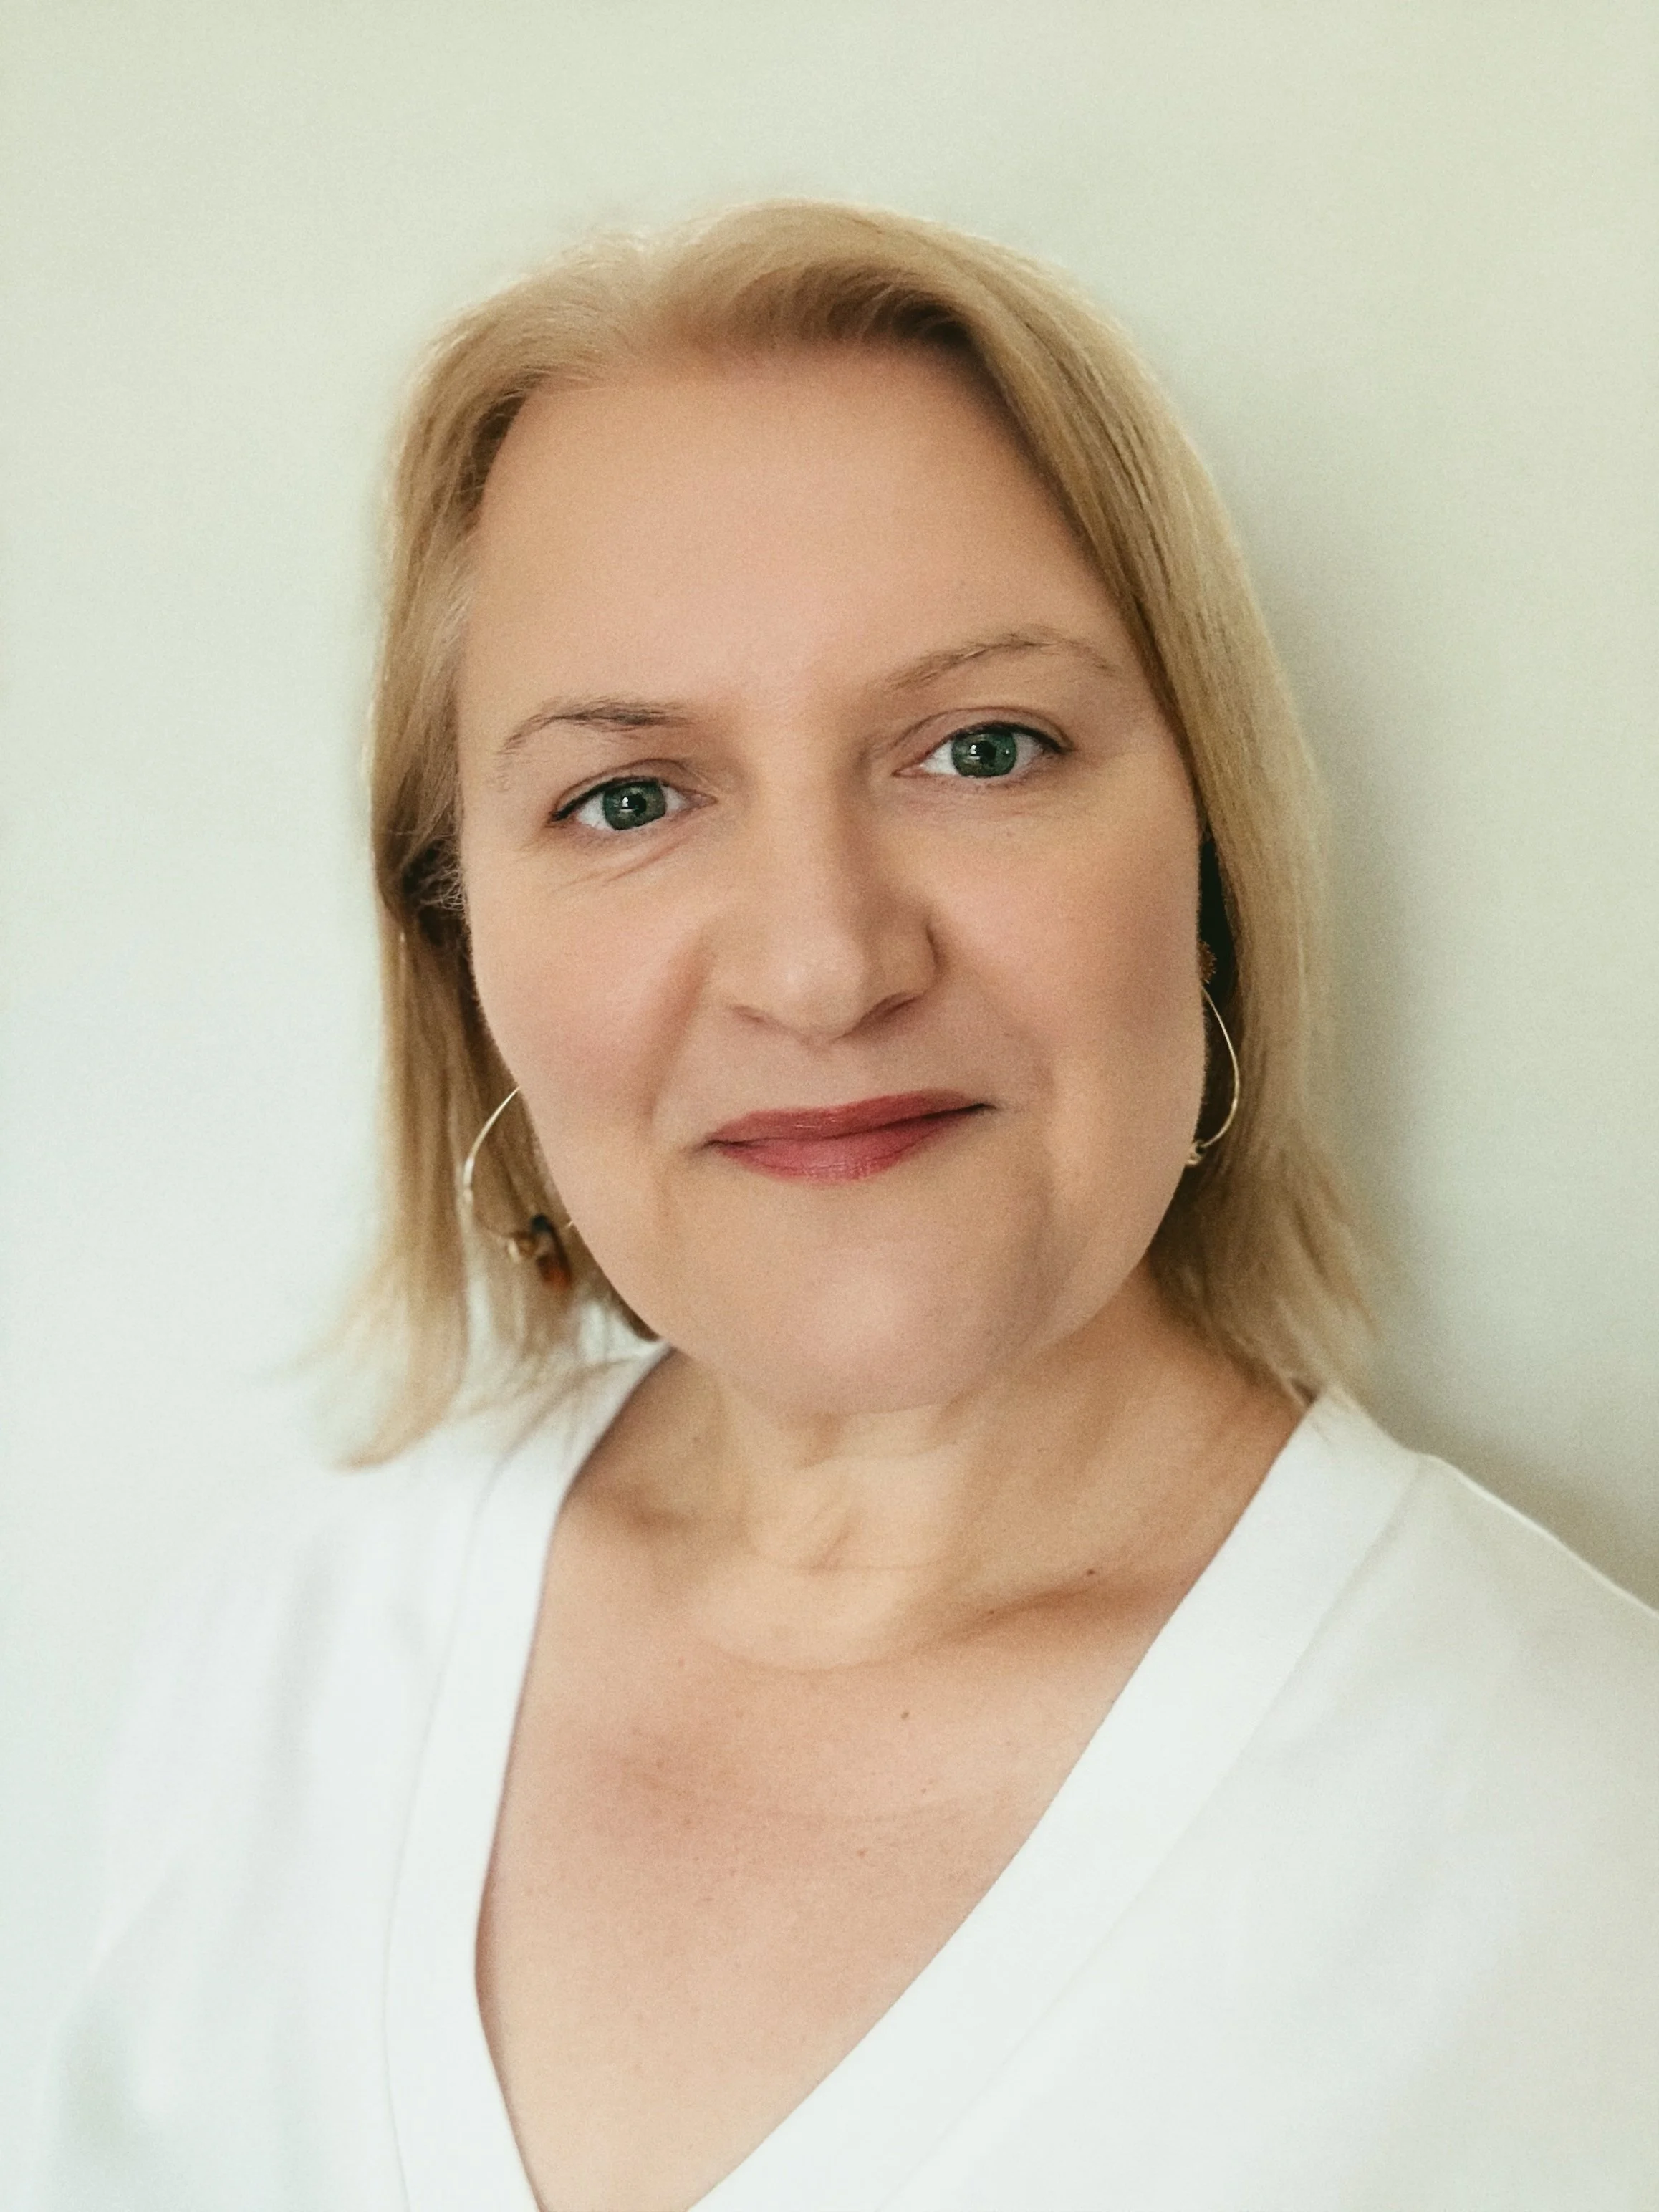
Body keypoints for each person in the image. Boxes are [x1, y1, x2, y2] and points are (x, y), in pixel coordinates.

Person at [29, 202, 1659, 2212]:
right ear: (457, 941)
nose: (820, 962)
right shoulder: (275, 1652)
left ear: (1210, 870)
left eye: (981, 749)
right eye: (627, 796)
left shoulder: (1584, 1837)